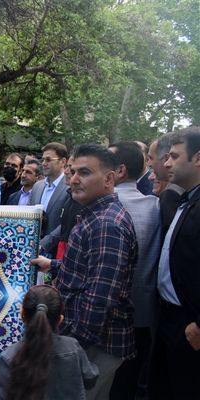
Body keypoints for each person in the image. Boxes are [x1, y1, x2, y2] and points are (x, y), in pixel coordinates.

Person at [31, 144, 137, 400]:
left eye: (85, 172)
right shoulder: (94, 214)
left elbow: (100, 298)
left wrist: (67, 345)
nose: (74, 179)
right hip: (87, 341)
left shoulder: (106, 224)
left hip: (96, 344)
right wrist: (54, 266)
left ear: (110, 178)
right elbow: (88, 273)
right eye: (73, 171)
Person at [149, 127, 200, 400]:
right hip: (169, 318)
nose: (166, 163)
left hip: (190, 325)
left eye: (175, 156)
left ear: (198, 158)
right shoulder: (186, 200)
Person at [108, 142, 161, 400]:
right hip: (143, 312)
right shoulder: (155, 206)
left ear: (118, 170)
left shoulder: (101, 205)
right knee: (128, 382)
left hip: (106, 314)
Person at [0, 285, 98, 400]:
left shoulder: (10, 356)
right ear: (60, 319)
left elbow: (5, 396)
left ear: (22, 315)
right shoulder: (73, 347)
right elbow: (90, 378)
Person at [28, 142, 70, 257]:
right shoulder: (37, 186)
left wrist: (44, 244)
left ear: (63, 161)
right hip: (32, 249)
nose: (44, 164)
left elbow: (66, 223)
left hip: (56, 254)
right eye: (43, 160)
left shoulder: (70, 188)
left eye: (48, 160)